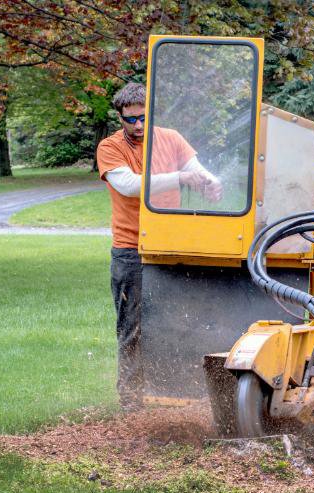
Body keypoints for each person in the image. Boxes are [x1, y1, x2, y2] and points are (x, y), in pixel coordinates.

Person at [96, 82, 222, 410]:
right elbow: (131, 186)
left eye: (143, 118)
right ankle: (132, 403)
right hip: (131, 251)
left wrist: (211, 183)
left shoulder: (171, 138)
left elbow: (198, 171)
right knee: (132, 329)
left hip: (173, 246)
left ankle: (179, 395)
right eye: (130, 120)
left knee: (180, 322)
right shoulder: (109, 148)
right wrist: (180, 178)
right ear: (120, 117)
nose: (137, 126)